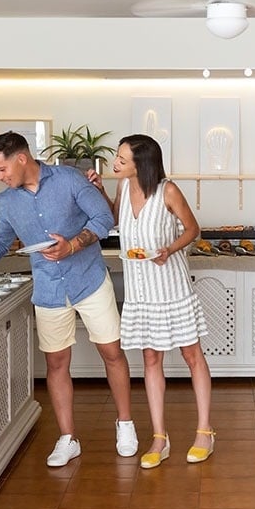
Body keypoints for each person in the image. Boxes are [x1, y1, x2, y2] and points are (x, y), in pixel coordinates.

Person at [0, 131, 138, 467]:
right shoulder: (8, 202)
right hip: (48, 288)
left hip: (89, 280)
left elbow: (105, 219)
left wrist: (73, 244)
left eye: (2, 169)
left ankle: (125, 425)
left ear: (21, 158)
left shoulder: (69, 179)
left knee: (111, 352)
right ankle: (68, 438)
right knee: (56, 363)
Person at [89, 134, 214, 469]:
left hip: (172, 288)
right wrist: (100, 190)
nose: (115, 162)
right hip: (141, 291)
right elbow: (116, 220)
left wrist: (169, 250)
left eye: (121, 159)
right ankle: (160, 437)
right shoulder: (122, 187)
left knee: (192, 355)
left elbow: (192, 229)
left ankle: (204, 431)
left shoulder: (168, 191)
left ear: (140, 164)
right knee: (150, 359)